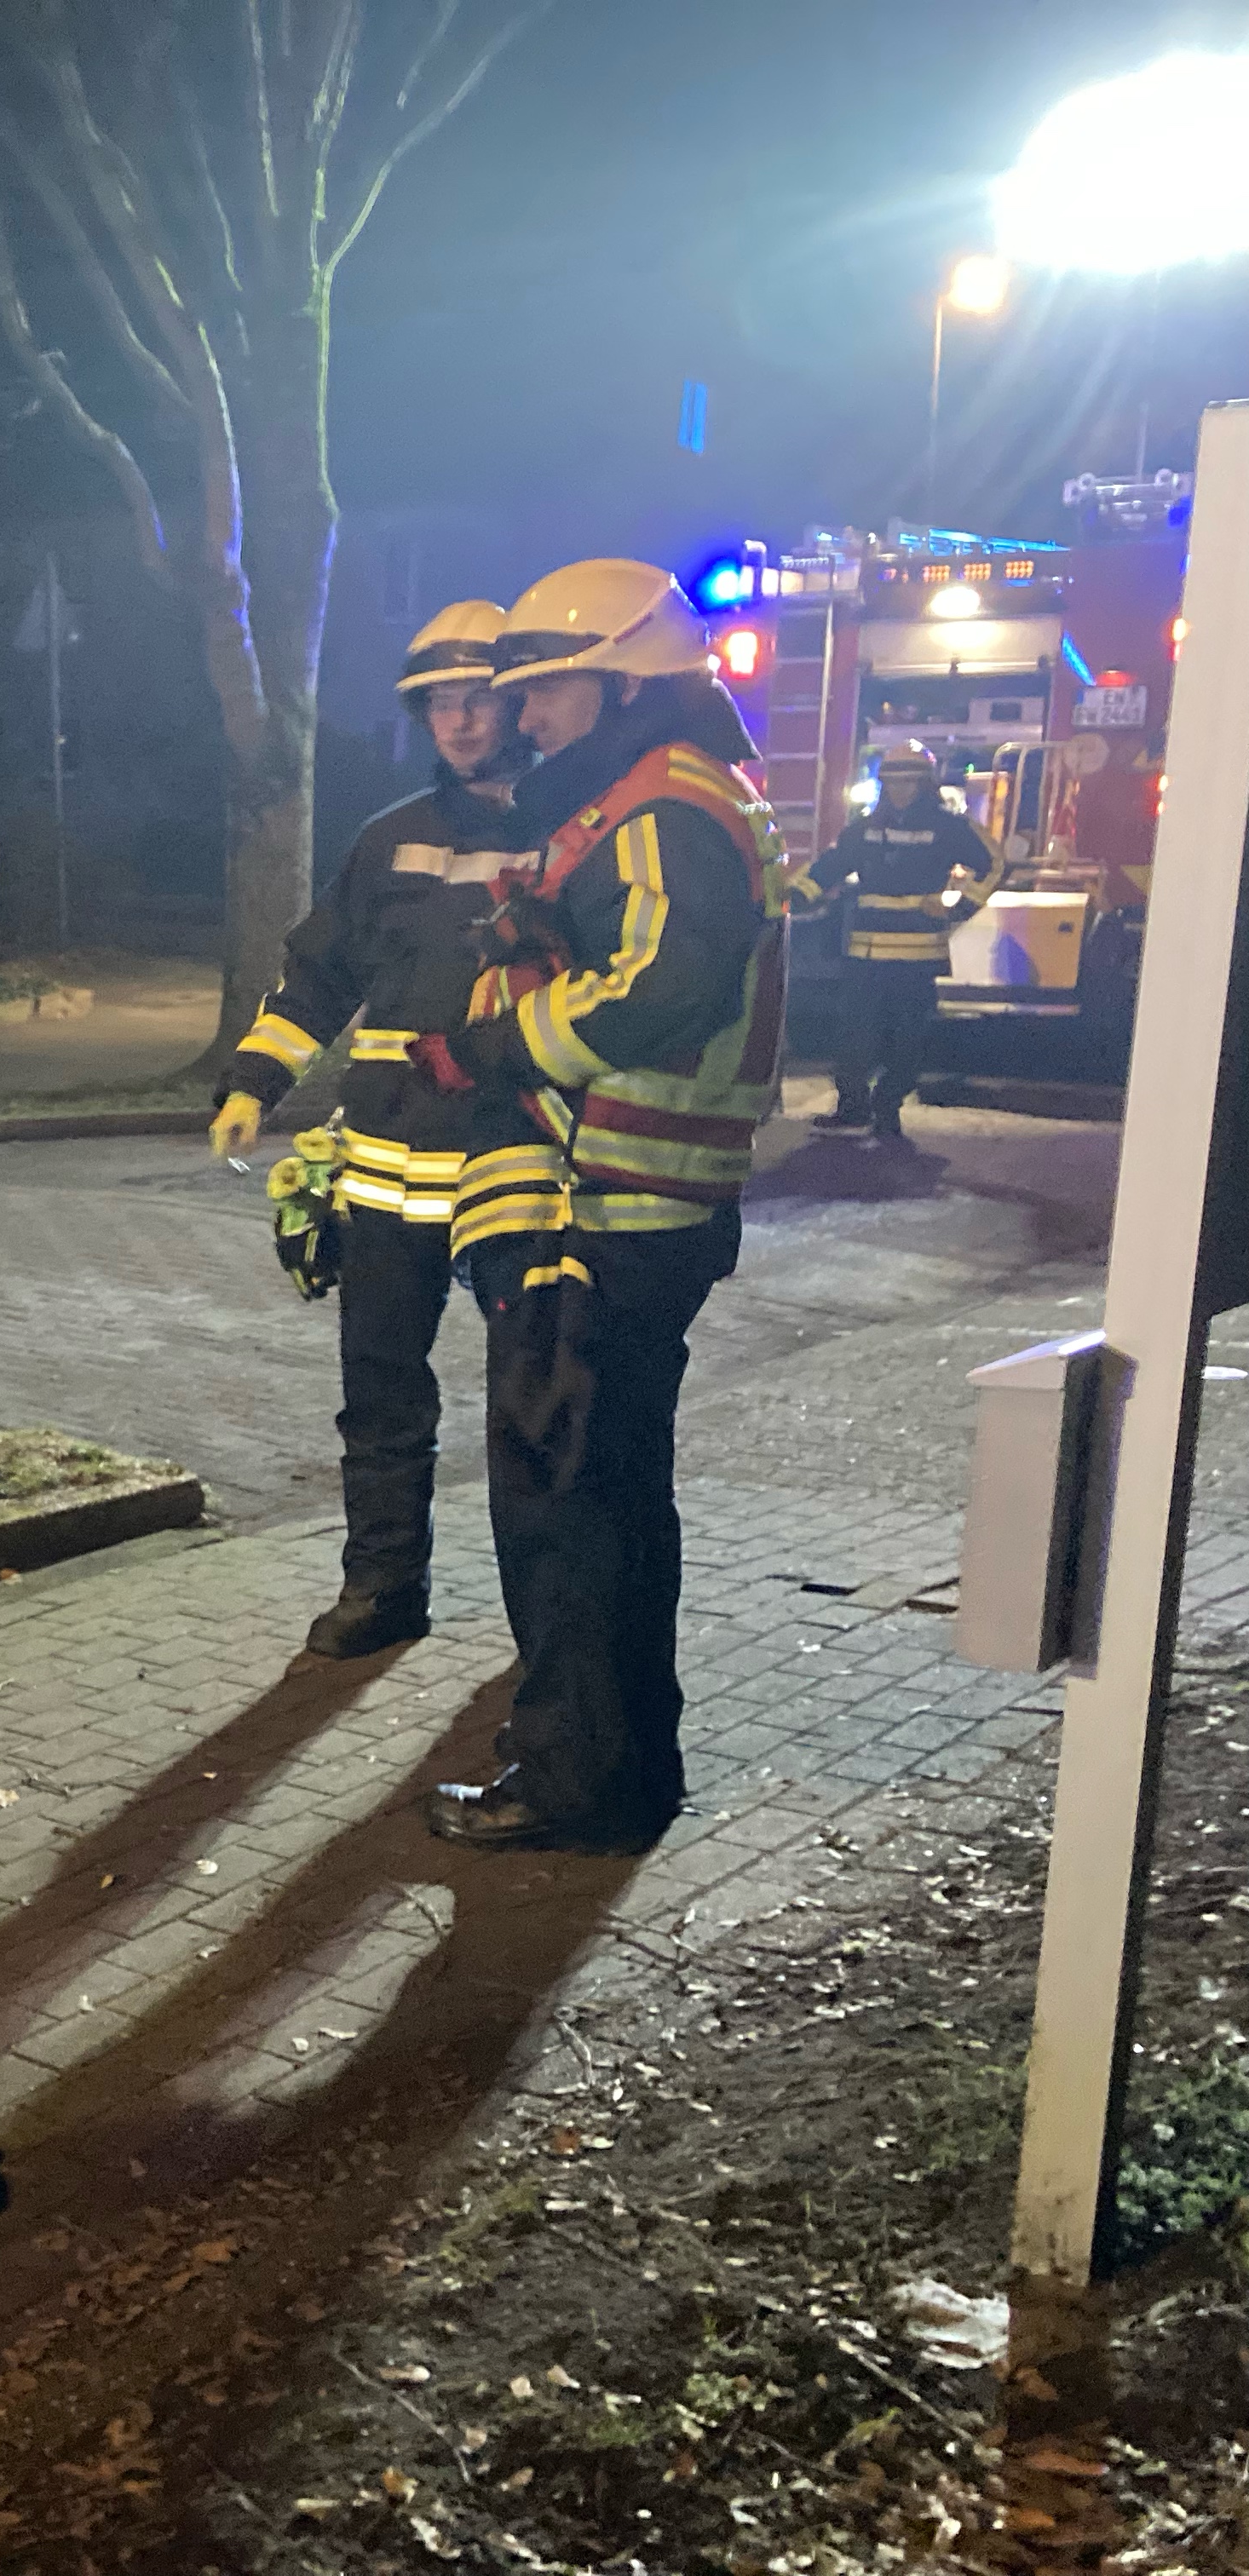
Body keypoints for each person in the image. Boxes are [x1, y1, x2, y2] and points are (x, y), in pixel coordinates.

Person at [404, 561, 791, 1852]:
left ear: (626, 681)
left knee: (565, 1511)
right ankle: (621, 1767)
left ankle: (573, 1781)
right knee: (612, 1497)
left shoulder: (666, 806)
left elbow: (661, 985)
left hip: (611, 1213)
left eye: (548, 689)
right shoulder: (658, 797)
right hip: (626, 1207)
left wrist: (493, 1042)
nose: (525, 717)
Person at [210, 600, 531, 1659]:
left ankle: (549, 1623)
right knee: (381, 1400)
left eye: (479, 699)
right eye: (442, 703)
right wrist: (255, 1082)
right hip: (386, 1177)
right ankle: (383, 1589)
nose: (462, 721)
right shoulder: (388, 838)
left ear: (517, 702)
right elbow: (319, 975)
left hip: (511, 1171)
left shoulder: (570, 837)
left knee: (534, 1410)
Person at [810, 744, 1001, 1140]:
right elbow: (829, 867)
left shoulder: (949, 827)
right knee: (854, 1036)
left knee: (908, 1040)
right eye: (893, 783)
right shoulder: (865, 827)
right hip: (866, 953)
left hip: (917, 955)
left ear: (925, 784)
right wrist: (792, 896)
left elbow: (994, 863)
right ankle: (853, 1107)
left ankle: (888, 1105)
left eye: (908, 782)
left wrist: (961, 908)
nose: (899, 791)